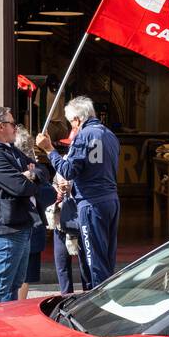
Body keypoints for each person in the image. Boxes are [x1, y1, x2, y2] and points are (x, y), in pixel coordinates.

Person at [37, 96, 121, 286]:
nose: (72, 127)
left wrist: (49, 150)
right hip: (111, 200)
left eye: (71, 123)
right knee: (107, 257)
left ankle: (98, 305)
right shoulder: (109, 135)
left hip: (91, 202)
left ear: (77, 119)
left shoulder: (84, 135)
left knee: (94, 260)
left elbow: (68, 170)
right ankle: (106, 294)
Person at [0, 106, 47, 304]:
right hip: (8, 228)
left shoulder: (9, 149)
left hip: (22, 224)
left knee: (14, 284)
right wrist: (27, 177)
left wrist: (32, 174)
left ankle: (4, 328)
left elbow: (42, 171)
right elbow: (19, 187)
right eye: (12, 123)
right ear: (0, 126)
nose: (16, 128)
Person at [14, 125, 52, 295]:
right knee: (22, 276)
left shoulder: (37, 170)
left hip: (27, 227)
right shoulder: (32, 170)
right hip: (23, 226)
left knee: (21, 275)